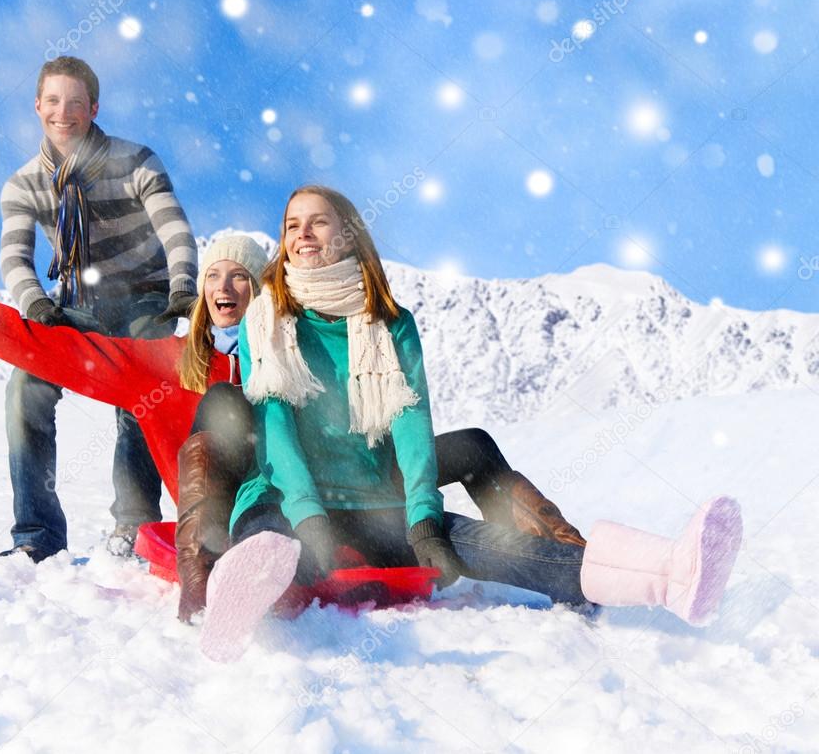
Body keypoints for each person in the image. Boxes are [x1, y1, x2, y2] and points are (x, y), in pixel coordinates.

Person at [198, 186, 743, 662]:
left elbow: (412, 425)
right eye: (292, 225)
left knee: (504, 547)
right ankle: (237, 603)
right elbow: (277, 432)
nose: (302, 234)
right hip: (287, 496)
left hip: (371, 503)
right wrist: (310, 517)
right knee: (268, 538)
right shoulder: (266, 319)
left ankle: (671, 575)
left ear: (348, 235)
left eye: (317, 221)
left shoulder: (391, 324)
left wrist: (423, 518)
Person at [0, 234, 584, 619]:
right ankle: (222, 569)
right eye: (215, 274)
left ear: (265, 291)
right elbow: (60, 352)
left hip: (330, 489)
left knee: (472, 446)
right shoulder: (166, 365)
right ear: (203, 288)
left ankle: (567, 552)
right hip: (236, 502)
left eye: (243, 275)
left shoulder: (296, 354)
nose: (227, 285)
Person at [0, 55, 198, 561]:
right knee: (26, 391)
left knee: (142, 392)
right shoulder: (23, 185)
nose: (63, 112)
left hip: (145, 298)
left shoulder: (136, 161)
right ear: (37, 106)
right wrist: (37, 304)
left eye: (76, 103)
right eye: (53, 101)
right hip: (74, 306)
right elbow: (15, 257)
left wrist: (182, 284)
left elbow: (174, 227)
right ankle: (36, 536)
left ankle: (134, 525)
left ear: (93, 109)